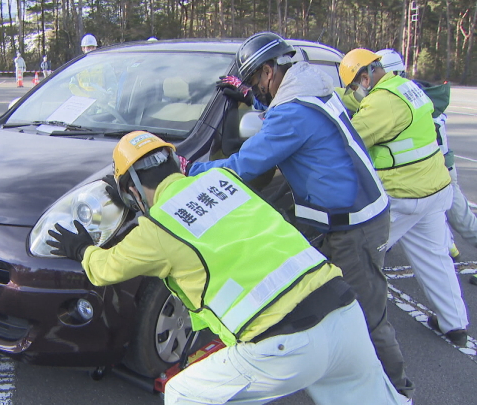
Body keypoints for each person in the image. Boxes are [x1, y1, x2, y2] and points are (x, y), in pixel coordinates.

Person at [47, 131, 404, 405]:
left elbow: (104, 270)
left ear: (132, 190)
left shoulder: (156, 228)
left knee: (183, 394)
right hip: (345, 312)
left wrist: (81, 248)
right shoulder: (225, 183)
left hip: (286, 345)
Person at [186, 32, 413, 400]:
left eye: (256, 81)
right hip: (338, 217)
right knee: (328, 304)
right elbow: (281, 118)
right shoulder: (309, 87)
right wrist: (249, 98)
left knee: (367, 316)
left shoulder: (293, 112)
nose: (255, 90)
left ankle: (399, 394)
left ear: (271, 70)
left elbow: (245, 164)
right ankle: (342, 377)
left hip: (354, 226)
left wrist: (187, 170)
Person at [340, 48, 469, 347]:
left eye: (354, 85)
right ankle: (455, 324)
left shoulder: (382, 104)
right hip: (434, 189)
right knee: (436, 258)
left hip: (402, 196)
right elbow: (355, 98)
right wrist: (330, 95)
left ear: (365, 77)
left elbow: (349, 141)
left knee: (360, 257)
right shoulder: (404, 86)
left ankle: (350, 329)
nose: (354, 92)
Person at [376, 49, 476, 264]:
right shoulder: (411, 91)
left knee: (462, 221)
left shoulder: (399, 96)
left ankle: (449, 246)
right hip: (431, 172)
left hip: (436, 170)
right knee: (434, 220)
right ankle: (449, 246)